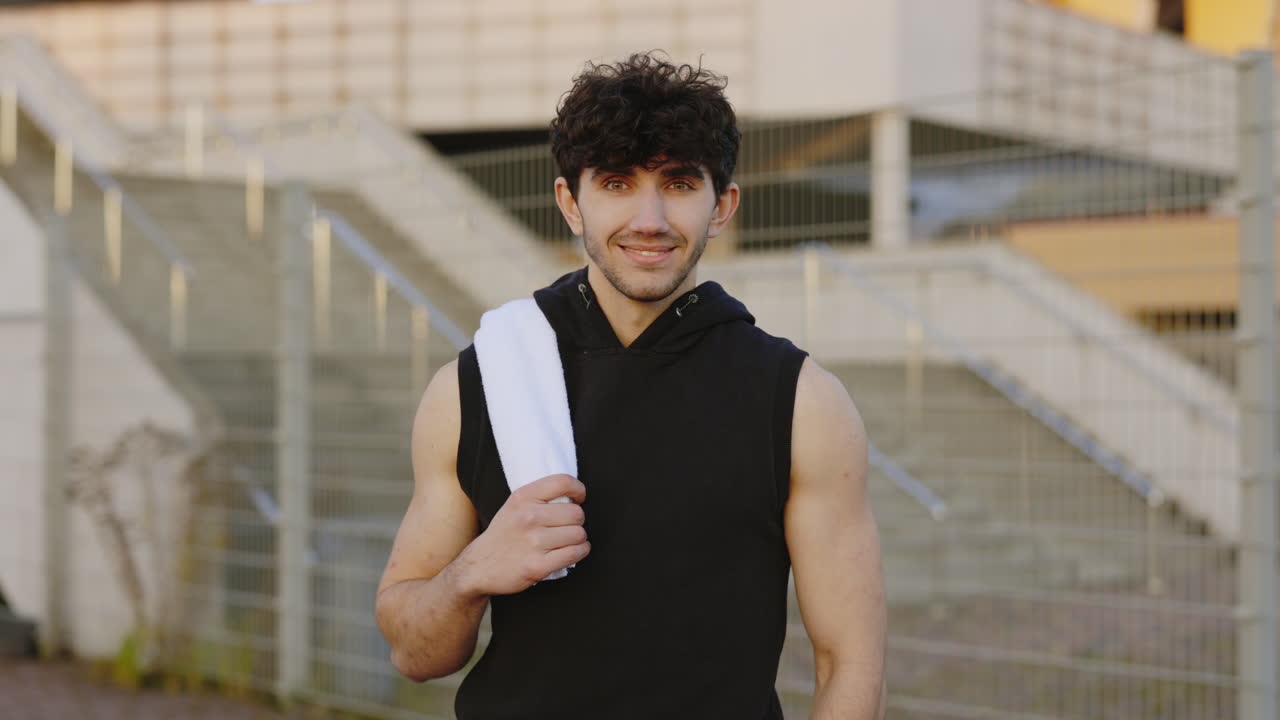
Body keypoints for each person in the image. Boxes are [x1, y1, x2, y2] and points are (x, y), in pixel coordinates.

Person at [375, 52, 886, 719]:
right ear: (570, 201)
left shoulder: (798, 401)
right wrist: (475, 570)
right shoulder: (478, 386)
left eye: (677, 182)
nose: (649, 218)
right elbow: (416, 657)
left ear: (722, 204)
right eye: (616, 183)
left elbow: (850, 663)